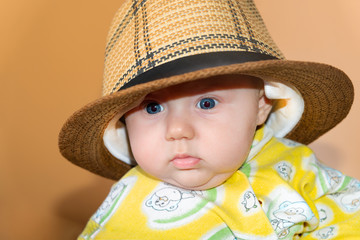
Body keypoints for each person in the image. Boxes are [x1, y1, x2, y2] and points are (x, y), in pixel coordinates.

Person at [58, 0, 360, 239]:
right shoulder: (125, 212)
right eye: (152, 108)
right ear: (123, 122)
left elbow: (349, 214)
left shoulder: (297, 165)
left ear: (262, 105)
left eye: (206, 103)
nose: (177, 130)